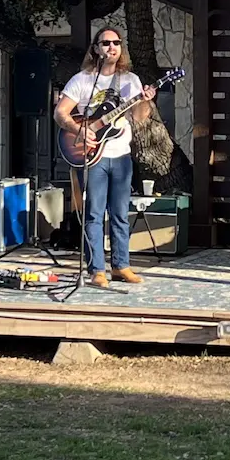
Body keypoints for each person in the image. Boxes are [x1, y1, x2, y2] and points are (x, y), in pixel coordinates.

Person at [56, 25, 156, 289]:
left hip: (121, 155)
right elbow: (60, 113)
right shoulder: (82, 80)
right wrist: (81, 130)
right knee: (94, 214)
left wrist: (145, 100)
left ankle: (121, 265)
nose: (112, 47)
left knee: (121, 214)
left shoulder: (131, 80)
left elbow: (139, 117)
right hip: (92, 156)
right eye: (106, 43)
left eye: (116, 43)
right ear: (96, 49)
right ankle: (96, 269)